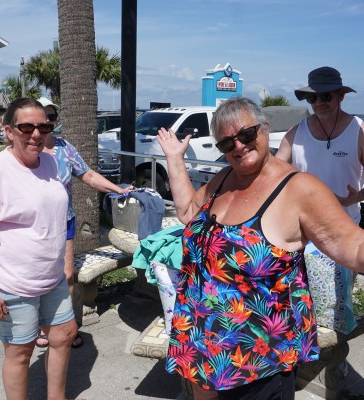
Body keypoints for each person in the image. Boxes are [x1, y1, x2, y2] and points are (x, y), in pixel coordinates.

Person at [155, 97, 364, 400]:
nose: (238, 146)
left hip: (256, 362)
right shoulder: (225, 179)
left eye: (246, 135)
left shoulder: (299, 189)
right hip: (202, 347)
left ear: (264, 129)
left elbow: (352, 245)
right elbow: (188, 212)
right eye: (227, 143)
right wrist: (175, 158)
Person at [0, 98, 78, 400]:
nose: (36, 134)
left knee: (64, 335)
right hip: (12, 282)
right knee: (20, 352)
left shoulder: (51, 162)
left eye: (44, 126)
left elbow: (54, 215)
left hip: (51, 278)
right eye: (26, 127)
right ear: (9, 131)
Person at [36, 96, 134, 348]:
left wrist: (118, 190)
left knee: (67, 277)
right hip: (33, 226)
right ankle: (44, 327)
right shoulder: (24, 151)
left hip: (64, 222)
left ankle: (67, 328)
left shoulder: (65, 148)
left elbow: (88, 175)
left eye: (51, 117)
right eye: (41, 116)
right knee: (39, 277)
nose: (46, 121)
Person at [276, 66, 364, 336]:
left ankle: (336, 367)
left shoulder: (359, 131)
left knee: (337, 306)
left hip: (343, 232)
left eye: (325, 96)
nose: (319, 103)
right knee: (298, 303)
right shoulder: (296, 133)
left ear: (340, 96)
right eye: (312, 98)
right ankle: (303, 362)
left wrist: (356, 196)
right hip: (301, 234)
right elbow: (275, 173)